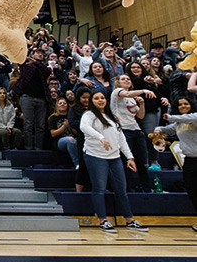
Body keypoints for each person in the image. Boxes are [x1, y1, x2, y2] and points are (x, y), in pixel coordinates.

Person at [80, 91, 148, 233]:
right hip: (96, 156)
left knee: (121, 190)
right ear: (92, 101)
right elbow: (84, 127)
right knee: (99, 189)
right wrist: (101, 138)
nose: (100, 100)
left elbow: (121, 138)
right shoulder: (89, 115)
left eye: (102, 98)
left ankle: (129, 220)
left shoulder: (112, 117)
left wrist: (130, 157)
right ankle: (103, 221)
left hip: (115, 157)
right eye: (96, 98)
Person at [154, 96, 197, 230]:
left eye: (186, 104)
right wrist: (158, 129)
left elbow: (191, 118)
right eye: (179, 105)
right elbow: (168, 129)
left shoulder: (193, 117)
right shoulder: (179, 123)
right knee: (193, 191)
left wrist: (170, 116)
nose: (183, 106)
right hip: (189, 160)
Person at [111, 74, 155, 192]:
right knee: (127, 162)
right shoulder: (117, 92)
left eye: (128, 79)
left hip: (136, 130)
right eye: (123, 79)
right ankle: (127, 190)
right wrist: (144, 90)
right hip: (123, 131)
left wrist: (142, 104)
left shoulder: (132, 98)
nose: (126, 80)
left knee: (142, 162)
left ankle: (147, 189)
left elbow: (140, 116)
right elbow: (127, 94)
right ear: (118, 82)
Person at [12, 48, 51, 150]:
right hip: (27, 97)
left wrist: (37, 63)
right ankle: (28, 147)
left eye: (42, 53)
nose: (40, 54)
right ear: (32, 54)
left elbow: (48, 72)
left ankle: (39, 148)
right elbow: (19, 60)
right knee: (28, 124)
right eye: (38, 53)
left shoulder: (43, 67)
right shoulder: (26, 65)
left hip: (41, 98)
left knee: (40, 125)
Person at [48, 98, 78, 167]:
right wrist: (64, 127)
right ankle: (77, 163)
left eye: (64, 103)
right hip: (60, 140)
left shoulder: (71, 116)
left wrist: (72, 127)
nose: (62, 105)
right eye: (60, 103)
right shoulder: (53, 118)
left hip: (74, 137)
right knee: (70, 140)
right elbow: (53, 134)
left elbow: (77, 132)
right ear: (57, 105)